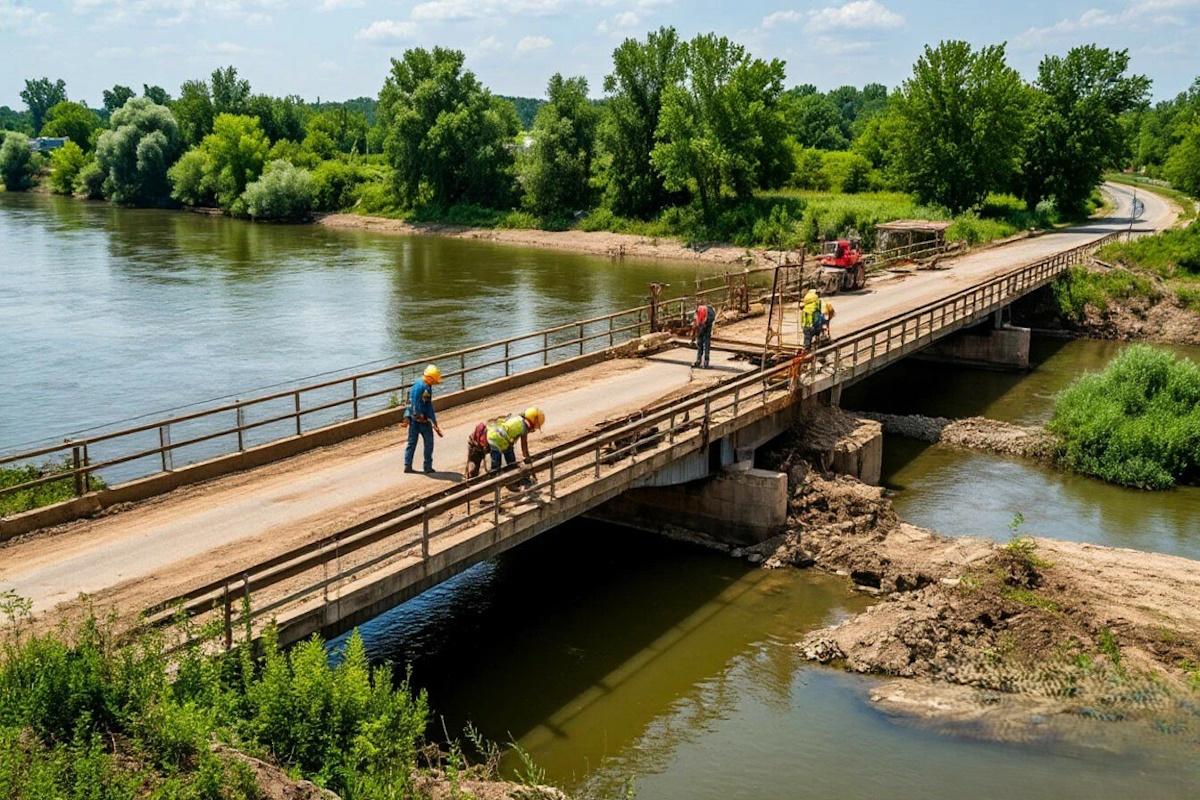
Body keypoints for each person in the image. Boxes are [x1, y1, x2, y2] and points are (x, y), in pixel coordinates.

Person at [403, 364, 443, 474]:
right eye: (434, 381)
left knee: (411, 443)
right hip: (423, 421)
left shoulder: (416, 383)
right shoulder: (426, 388)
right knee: (429, 443)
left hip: (412, 420)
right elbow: (427, 406)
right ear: (430, 378)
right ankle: (427, 466)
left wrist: (407, 415)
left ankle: (407, 464)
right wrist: (434, 422)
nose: (434, 383)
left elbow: (409, 400)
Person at [486, 407, 545, 475]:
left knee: (501, 463)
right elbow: (524, 449)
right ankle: (501, 479)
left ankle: (502, 478)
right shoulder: (524, 427)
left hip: (495, 435)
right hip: (498, 438)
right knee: (504, 465)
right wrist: (529, 461)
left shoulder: (519, 419)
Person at [691, 303, 716, 368]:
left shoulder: (708, 313)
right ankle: (698, 361)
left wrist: (704, 326)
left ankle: (706, 362)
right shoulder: (696, 315)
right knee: (699, 344)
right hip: (701, 325)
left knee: (706, 344)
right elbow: (694, 327)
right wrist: (693, 338)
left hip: (707, 324)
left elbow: (709, 319)